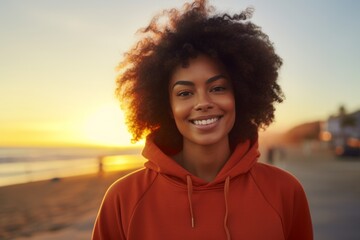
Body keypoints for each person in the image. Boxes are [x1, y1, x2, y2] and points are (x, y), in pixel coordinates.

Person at [92, 0, 313, 239]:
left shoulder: (285, 191)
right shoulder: (123, 199)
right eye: (185, 93)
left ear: (239, 94)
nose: (203, 102)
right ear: (167, 107)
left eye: (217, 88)